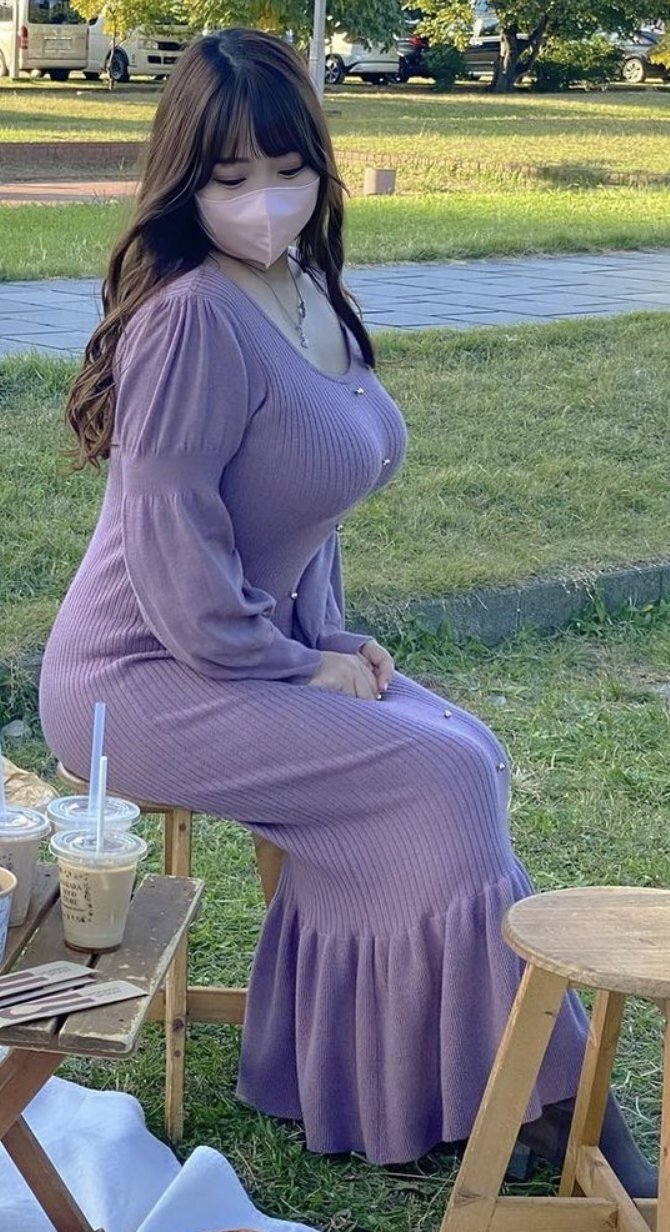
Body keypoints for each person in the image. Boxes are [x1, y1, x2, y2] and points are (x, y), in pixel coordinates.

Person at [39, 28, 655, 1193]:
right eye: (230, 179)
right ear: (185, 182)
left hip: (243, 645)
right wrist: (290, 663)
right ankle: (555, 1105)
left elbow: (300, 507)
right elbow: (175, 553)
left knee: (470, 745)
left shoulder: (305, 288)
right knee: (439, 776)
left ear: (319, 166)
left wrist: (323, 633)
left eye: (287, 171)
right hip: (140, 675)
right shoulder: (188, 320)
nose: (263, 202)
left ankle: (389, 1070)